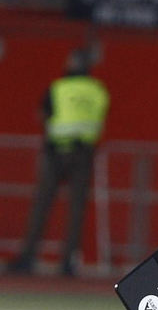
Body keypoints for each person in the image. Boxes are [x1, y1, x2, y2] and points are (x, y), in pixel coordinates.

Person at [7, 48, 109, 277]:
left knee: (41, 206)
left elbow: (42, 115)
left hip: (55, 153)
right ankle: (68, 262)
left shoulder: (59, 88)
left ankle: (27, 258)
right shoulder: (98, 91)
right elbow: (101, 117)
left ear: (71, 63)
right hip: (84, 153)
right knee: (76, 210)